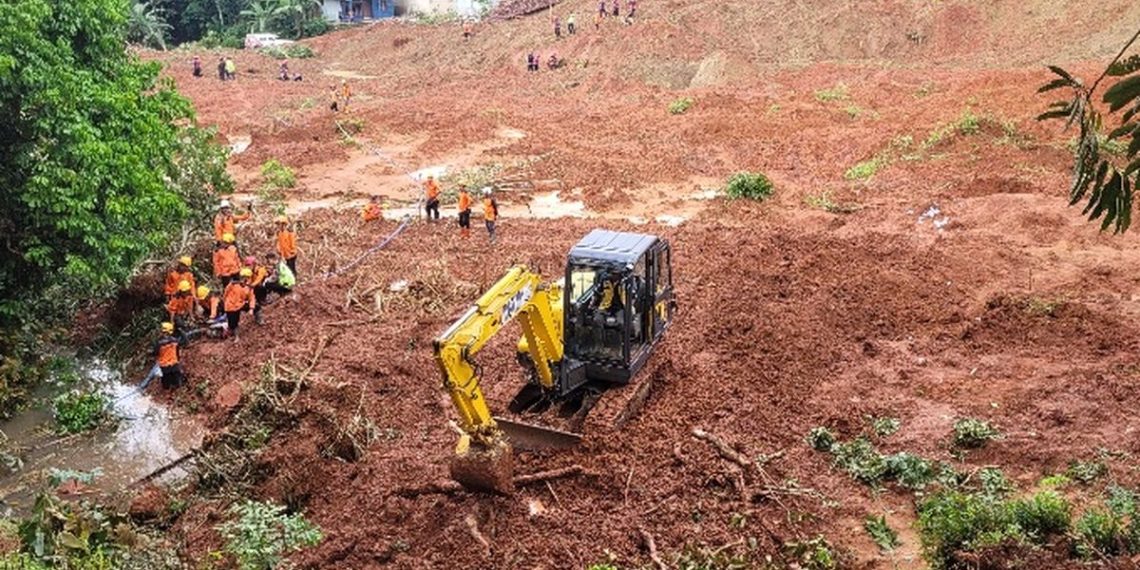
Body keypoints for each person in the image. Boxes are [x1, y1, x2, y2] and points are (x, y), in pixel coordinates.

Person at [223, 267, 256, 341]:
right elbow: (225, 294)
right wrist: (226, 302)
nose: (245, 279)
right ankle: (235, 335)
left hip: (240, 304)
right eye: (244, 277)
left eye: (247, 278)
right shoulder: (232, 285)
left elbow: (252, 298)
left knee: (256, 307)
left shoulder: (248, 287)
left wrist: (251, 308)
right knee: (233, 323)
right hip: (230, 306)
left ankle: (259, 319)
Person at [154, 322, 184, 389]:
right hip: (174, 364)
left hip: (164, 367)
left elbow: (155, 353)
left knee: (166, 385)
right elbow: (183, 344)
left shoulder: (159, 343)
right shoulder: (175, 341)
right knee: (178, 383)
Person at [245, 256, 270, 325]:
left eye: (249, 265)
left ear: (254, 264)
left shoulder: (260, 269)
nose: (248, 267)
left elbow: (259, 279)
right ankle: (258, 300)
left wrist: (252, 285)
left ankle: (263, 299)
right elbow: (250, 279)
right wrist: (248, 284)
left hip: (264, 286)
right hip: (257, 285)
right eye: (247, 265)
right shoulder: (251, 271)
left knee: (259, 287)